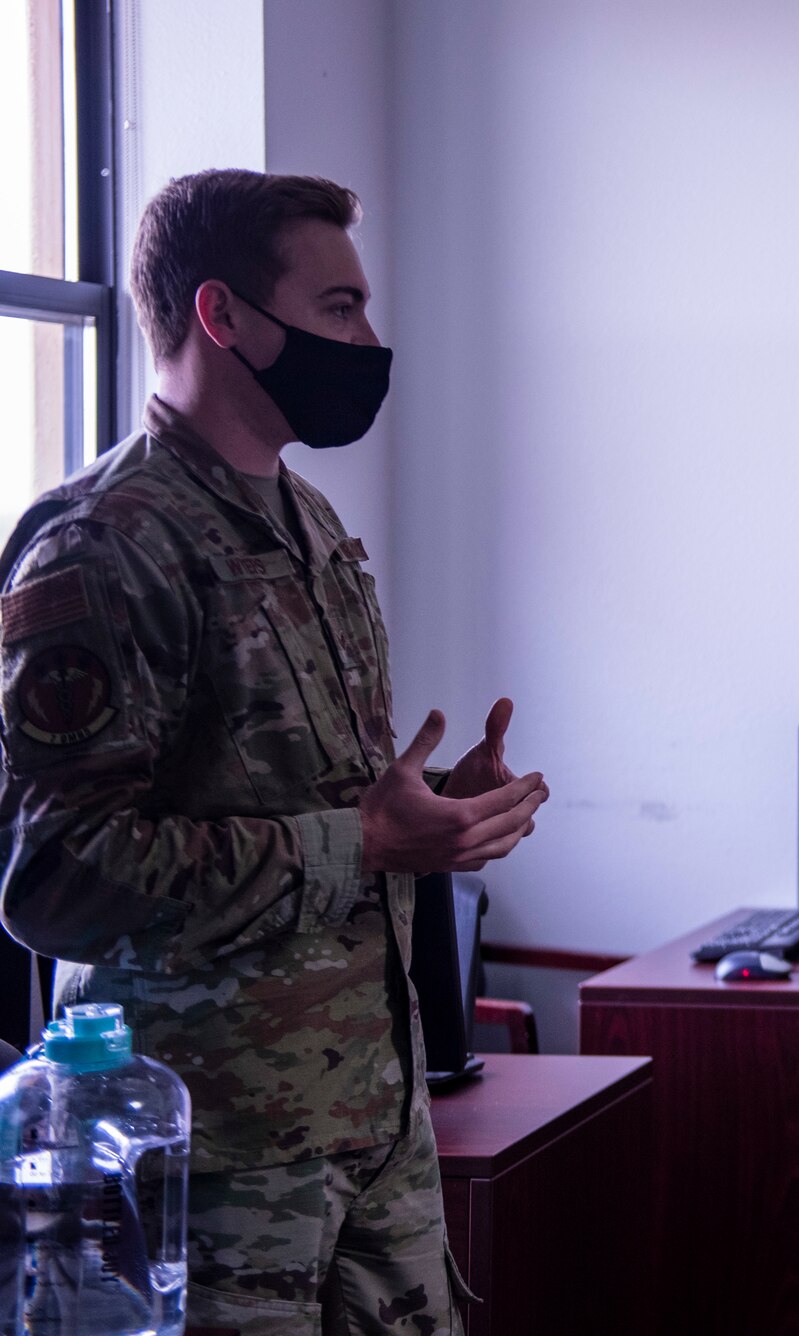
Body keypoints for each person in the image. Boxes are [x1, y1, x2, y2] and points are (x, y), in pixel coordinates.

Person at [0, 169, 550, 1335]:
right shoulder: (100, 548)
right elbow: (57, 880)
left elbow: (312, 800)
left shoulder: (308, 523)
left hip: (370, 1124)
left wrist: (440, 812)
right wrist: (363, 841)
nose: (367, 340)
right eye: (340, 306)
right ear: (223, 316)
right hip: (210, 1158)